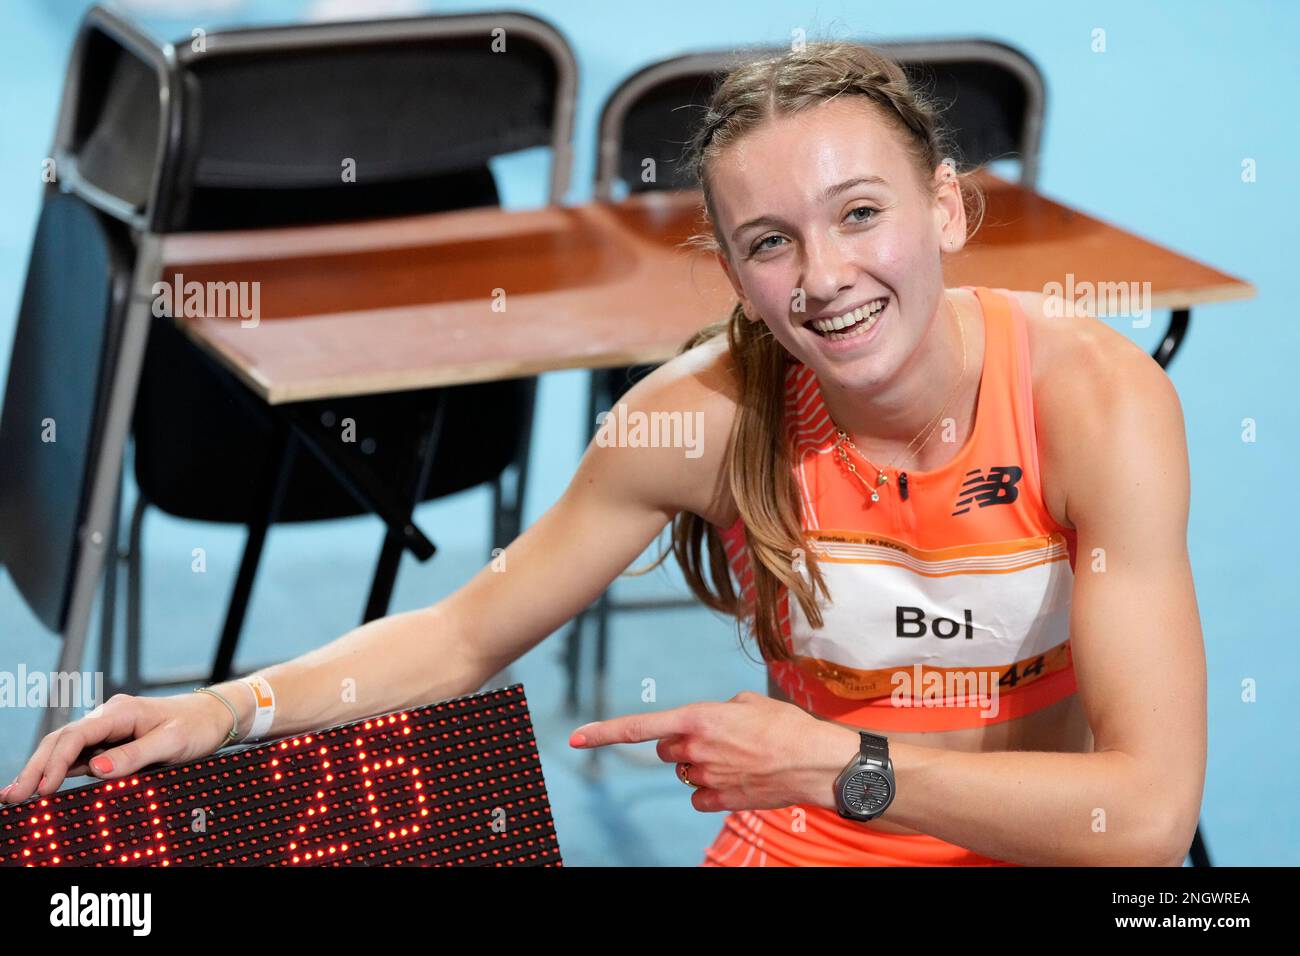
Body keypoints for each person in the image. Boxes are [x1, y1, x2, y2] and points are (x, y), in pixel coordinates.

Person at [2, 41, 1205, 867]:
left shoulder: (1096, 400)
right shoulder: (706, 418)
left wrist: (844, 760)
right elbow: (466, 631)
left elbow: (1148, 816)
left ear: (944, 209)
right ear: (731, 269)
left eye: (860, 213)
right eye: (771, 241)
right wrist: (226, 707)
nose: (826, 278)